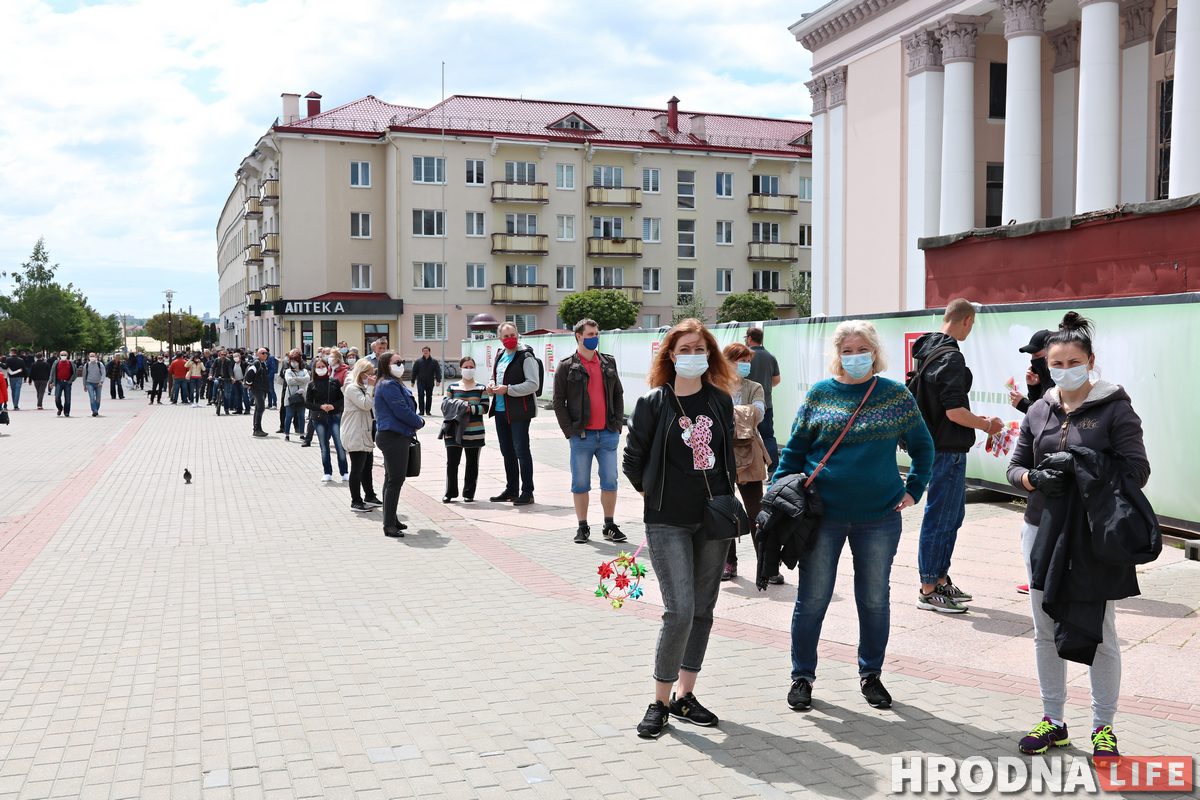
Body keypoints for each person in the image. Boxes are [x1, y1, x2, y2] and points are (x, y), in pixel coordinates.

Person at [1005, 313, 1148, 763]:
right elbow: (1014, 467)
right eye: (1056, 363)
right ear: (1047, 365)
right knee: (1044, 629)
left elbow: (1137, 471)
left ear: (1090, 361)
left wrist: (1082, 464)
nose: (1064, 369)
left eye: (1073, 361)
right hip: (1040, 530)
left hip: (1092, 536)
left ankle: (1104, 728)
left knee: (1100, 631)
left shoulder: (1115, 408)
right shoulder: (1038, 409)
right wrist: (1033, 479)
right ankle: (1054, 721)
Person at [775, 321, 935, 712]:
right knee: (813, 598)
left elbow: (923, 447)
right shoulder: (820, 394)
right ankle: (802, 676)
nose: (855, 356)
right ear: (837, 355)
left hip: (879, 516)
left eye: (861, 349)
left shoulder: (894, 395)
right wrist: (776, 498)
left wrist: (914, 489)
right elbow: (793, 453)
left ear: (874, 352)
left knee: (874, 598)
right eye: (847, 350)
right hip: (821, 515)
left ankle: (871, 674)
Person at [622, 318, 740, 739]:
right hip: (667, 520)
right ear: (671, 355)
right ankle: (659, 700)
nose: (693, 355)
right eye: (685, 349)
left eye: (700, 348)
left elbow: (727, 457)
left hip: (713, 519)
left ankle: (685, 696)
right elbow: (632, 460)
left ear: (710, 354)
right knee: (680, 611)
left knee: (704, 611)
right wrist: (655, 497)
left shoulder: (719, 401)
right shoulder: (654, 402)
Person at [910, 298, 1003, 613]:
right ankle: (928, 588)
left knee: (951, 516)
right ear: (966, 321)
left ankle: (940, 579)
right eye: (972, 324)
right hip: (946, 449)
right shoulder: (950, 358)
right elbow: (954, 411)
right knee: (941, 518)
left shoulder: (928, 351)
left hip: (935, 446)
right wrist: (987, 425)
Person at [552, 318, 627, 544]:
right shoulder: (567, 366)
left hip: (607, 435)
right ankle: (582, 527)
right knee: (580, 483)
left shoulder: (608, 362)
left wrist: (616, 427)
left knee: (610, 481)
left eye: (596, 334)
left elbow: (618, 394)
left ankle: (609, 524)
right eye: (590, 334)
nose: (594, 337)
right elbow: (558, 402)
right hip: (581, 436)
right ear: (578, 336)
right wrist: (570, 431)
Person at [720, 342, 773, 583]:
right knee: (724, 511)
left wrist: (728, 414)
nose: (745, 365)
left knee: (756, 512)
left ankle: (766, 564)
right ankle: (728, 562)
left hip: (748, 454)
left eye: (747, 361)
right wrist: (743, 413)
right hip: (719, 454)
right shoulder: (715, 386)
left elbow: (758, 414)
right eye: (740, 360)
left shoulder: (755, 386)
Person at [486, 323, 540, 505]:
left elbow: (533, 384)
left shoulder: (526, 356)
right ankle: (511, 489)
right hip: (501, 411)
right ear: (500, 338)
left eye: (513, 334)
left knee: (521, 451)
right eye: (506, 335)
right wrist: (491, 384)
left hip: (519, 412)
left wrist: (508, 389)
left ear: (518, 335)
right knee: (507, 451)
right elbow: (496, 376)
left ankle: (527, 492)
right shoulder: (500, 354)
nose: (510, 338)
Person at [373, 351, 425, 537]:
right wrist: (419, 422)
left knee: (390, 479)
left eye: (401, 361)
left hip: (395, 435)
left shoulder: (392, 383)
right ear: (386, 365)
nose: (400, 364)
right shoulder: (388, 384)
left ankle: (391, 519)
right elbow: (401, 410)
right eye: (396, 362)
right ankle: (388, 525)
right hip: (393, 437)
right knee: (395, 480)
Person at [440, 356, 489, 503]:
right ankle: (450, 493)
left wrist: (468, 408)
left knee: (472, 463)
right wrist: (458, 406)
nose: (468, 369)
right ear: (460, 368)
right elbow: (445, 405)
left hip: (475, 432)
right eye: (465, 367)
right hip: (453, 431)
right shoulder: (452, 387)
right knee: (452, 463)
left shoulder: (481, 388)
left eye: (471, 367)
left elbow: (485, 408)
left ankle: (469, 493)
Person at [343, 359, 383, 511]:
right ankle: (356, 501)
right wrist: (371, 387)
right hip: (355, 432)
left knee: (367, 466)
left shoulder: (363, 387)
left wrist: (371, 387)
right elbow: (366, 405)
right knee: (357, 468)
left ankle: (369, 495)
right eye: (370, 374)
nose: (372, 377)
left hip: (365, 432)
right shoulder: (352, 388)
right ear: (362, 373)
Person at [744, 328, 782, 477]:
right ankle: (773, 470)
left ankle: (746, 470)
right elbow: (777, 380)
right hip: (766, 404)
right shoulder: (770, 356)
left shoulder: (745, 356)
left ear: (749, 338)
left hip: (745, 406)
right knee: (768, 436)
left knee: (744, 437)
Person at [306, 354, 349, 478]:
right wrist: (320, 407)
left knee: (339, 444)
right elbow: (308, 403)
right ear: (314, 369)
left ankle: (344, 472)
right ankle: (327, 472)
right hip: (319, 418)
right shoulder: (311, 384)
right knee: (324, 446)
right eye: (318, 367)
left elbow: (342, 400)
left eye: (323, 366)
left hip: (334, 416)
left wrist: (333, 406)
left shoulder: (334, 381)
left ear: (327, 367)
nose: (320, 368)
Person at [1009, 329, 1056, 414]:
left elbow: (1051, 416)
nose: (1033, 360)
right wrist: (1034, 387)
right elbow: (1039, 405)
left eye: (1037, 355)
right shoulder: (1046, 377)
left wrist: (1023, 404)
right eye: (1032, 356)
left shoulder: (1060, 378)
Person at [282, 351, 309, 441]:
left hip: (301, 398)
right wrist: (301, 380)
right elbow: (289, 381)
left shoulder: (304, 371)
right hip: (290, 397)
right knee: (289, 416)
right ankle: (287, 434)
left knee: (301, 416)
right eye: (292, 360)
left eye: (295, 360)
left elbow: (307, 379)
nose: (293, 362)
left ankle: (302, 434)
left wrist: (296, 379)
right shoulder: (288, 371)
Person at [246, 348, 272, 438]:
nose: (265, 354)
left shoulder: (262, 363)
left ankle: (258, 429)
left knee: (259, 408)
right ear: (258, 354)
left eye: (266, 353)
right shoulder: (256, 363)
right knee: (260, 408)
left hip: (262, 389)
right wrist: (249, 384)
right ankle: (257, 430)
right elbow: (249, 374)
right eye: (263, 353)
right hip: (258, 389)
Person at [411, 346, 442, 415]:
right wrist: (412, 381)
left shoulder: (434, 362)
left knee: (429, 396)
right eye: (424, 351)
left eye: (426, 351)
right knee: (421, 395)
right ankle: (421, 411)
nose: (425, 352)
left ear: (429, 352)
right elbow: (414, 371)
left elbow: (438, 371)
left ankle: (428, 411)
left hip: (430, 382)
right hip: (420, 381)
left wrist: (438, 380)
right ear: (422, 352)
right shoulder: (418, 361)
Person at [82, 352, 105, 417]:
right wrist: (84, 385)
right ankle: (94, 410)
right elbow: (84, 376)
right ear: (88, 357)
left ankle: (96, 410)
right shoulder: (86, 365)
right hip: (89, 383)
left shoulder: (100, 364)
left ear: (96, 357)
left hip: (98, 384)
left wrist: (101, 381)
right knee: (92, 397)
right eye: (91, 356)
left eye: (93, 356)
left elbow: (103, 373)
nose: (92, 357)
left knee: (98, 399)